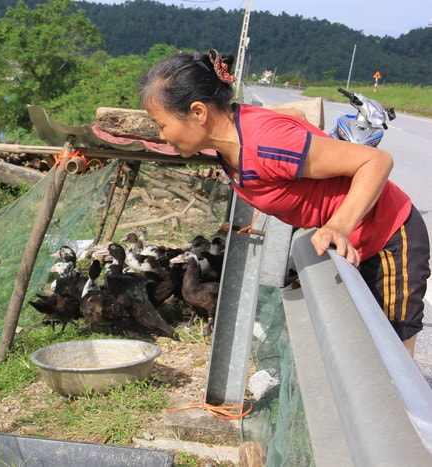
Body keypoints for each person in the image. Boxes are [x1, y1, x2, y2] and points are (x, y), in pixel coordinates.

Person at [138, 49, 430, 357]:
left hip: (388, 238)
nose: (161, 134)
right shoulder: (232, 135)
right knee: (362, 350)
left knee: (393, 363)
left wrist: (338, 225)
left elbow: (376, 161)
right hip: (350, 245)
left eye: (162, 123)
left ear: (198, 112)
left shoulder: (264, 145)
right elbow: (297, 118)